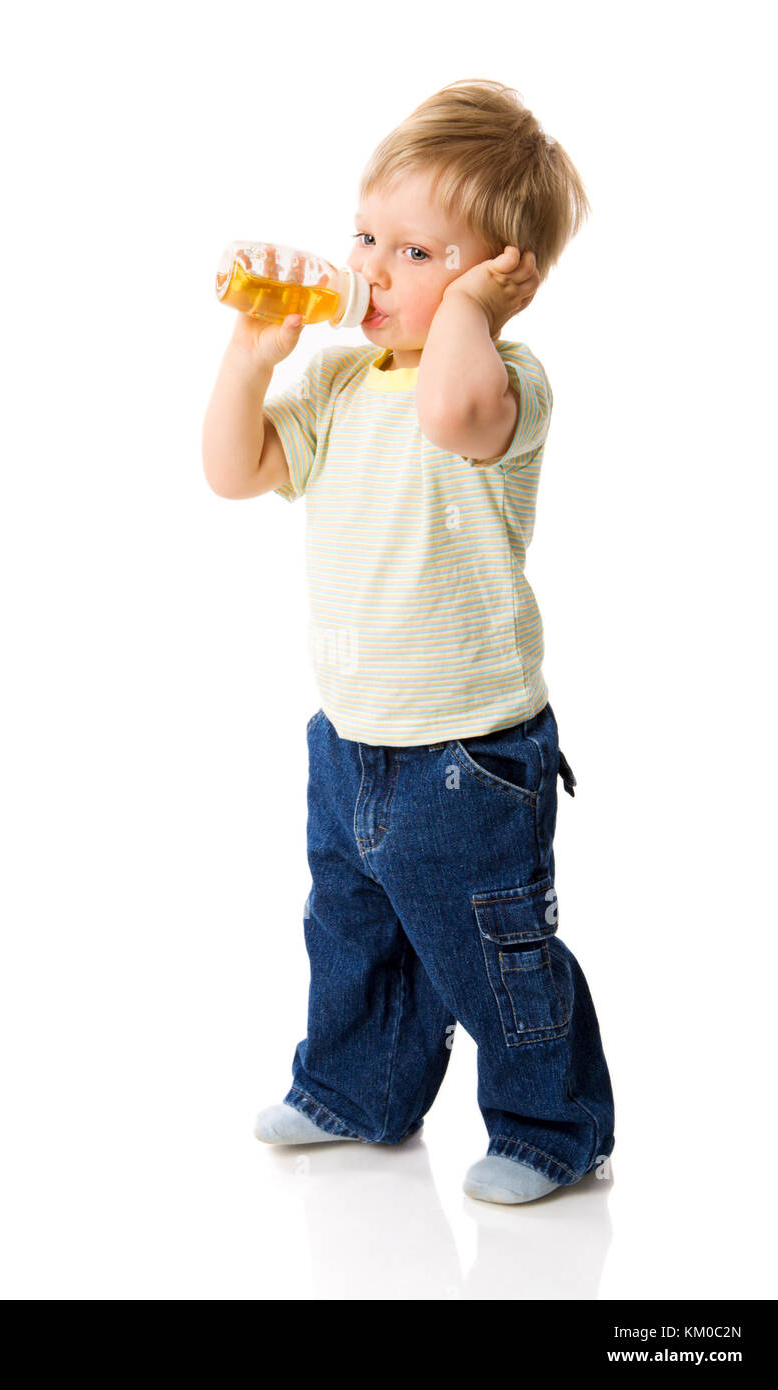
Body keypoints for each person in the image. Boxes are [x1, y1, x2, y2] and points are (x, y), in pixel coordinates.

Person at [201, 80, 615, 1204]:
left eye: (419, 250)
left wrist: (473, 317)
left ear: (501, 274)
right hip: (349, 738)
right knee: (352, 937)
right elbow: (234, 472)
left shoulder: (502, 383)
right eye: (366, 235)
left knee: (498, 953)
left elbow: (448, 413)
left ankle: (552, 1122)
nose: (372, 267)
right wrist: (250, 359)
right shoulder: (337, 379)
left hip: (467, 758)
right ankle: (355, 1086)